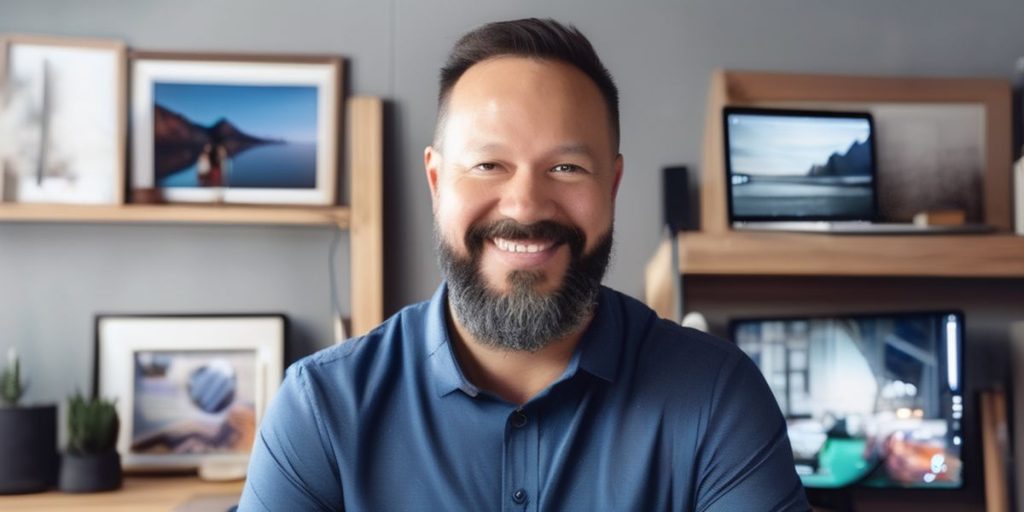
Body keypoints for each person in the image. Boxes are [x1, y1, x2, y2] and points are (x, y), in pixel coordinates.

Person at [239, 18, 809, 511]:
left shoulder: (716, 396)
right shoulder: (321, 409)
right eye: (489, 164)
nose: (526, 206)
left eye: (565, 168)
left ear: (611, 186)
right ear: (437, 182)